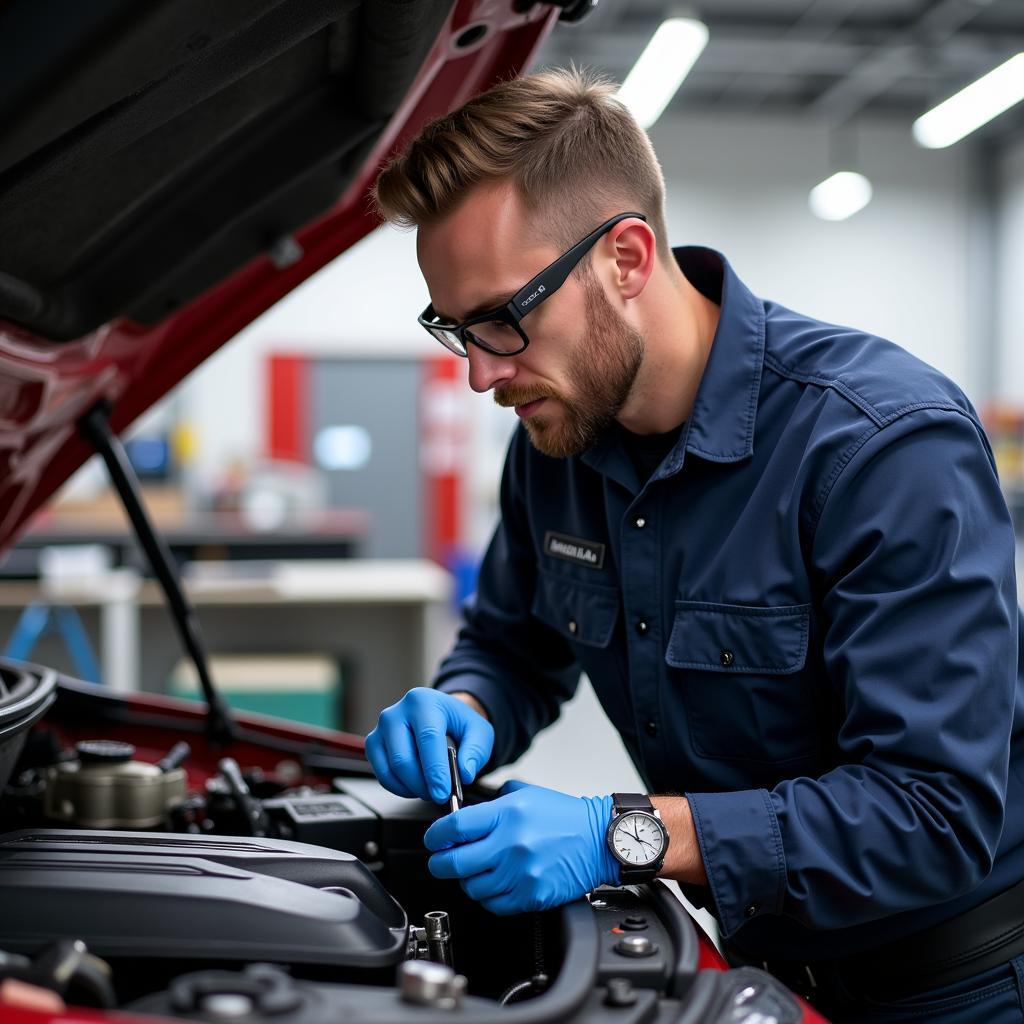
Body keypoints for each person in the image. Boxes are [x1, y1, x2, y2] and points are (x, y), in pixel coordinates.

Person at [363, 67, 1024, 1022]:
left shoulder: (880, 445)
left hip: (950, 987)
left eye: (504, 320)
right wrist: (467, 704)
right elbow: (514, 645)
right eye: (454, 329)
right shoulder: (556, 443)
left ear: (626, 258)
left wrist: (621, 834)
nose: (479, 374)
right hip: (753, 960)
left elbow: (932, 814)